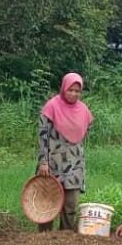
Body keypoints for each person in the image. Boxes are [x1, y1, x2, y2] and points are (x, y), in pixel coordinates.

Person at [36, 72, 93, 231]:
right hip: (52, 163)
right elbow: (42, 137)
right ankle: (44, 237)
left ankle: (65, 238)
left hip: (74, 163)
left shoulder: (83, 110)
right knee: (48, 202)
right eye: (70, 90)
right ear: (63, 88)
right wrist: (43, 162)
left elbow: (87, 128)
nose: (74, 94)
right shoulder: (51, 107)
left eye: (77, 91)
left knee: (70, 204)